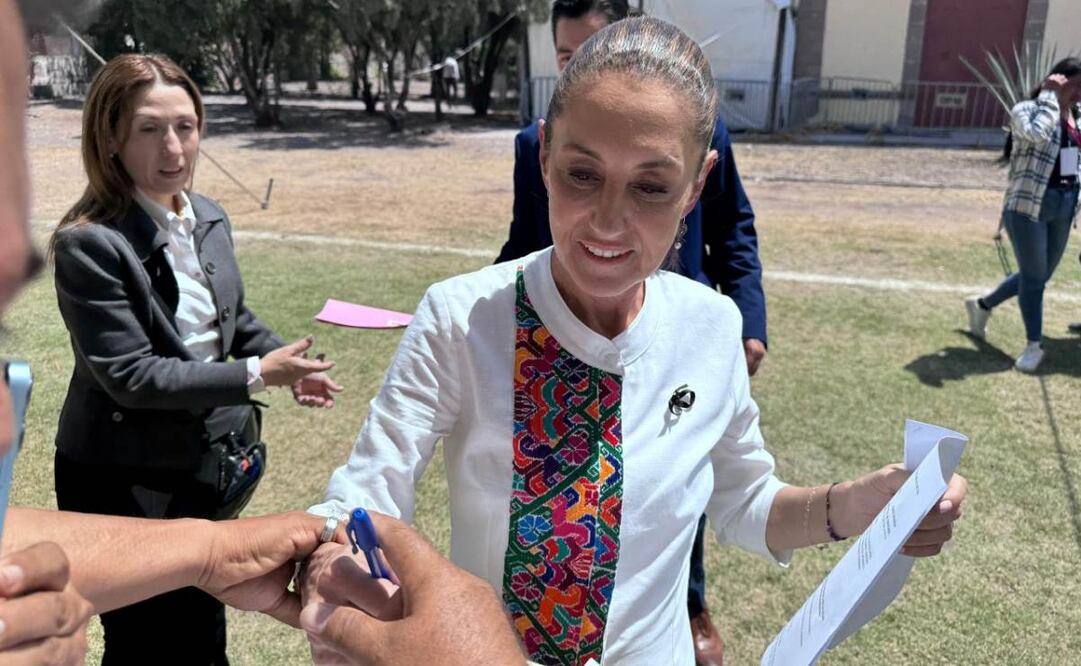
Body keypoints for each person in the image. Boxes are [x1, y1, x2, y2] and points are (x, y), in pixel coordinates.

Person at [303, 17, 967, 666]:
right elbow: (365, 493)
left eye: (650, 185)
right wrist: (339, 562)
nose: (608, 221)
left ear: (695, 186)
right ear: (543, 156)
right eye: (581, 174)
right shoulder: (461, 316)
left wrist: (853, 506)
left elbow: (744, 503)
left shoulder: (710, 326)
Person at [48, 53, 343, 664]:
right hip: (123, 479)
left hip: (199, 468)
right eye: (150, 129)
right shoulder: (89, 245)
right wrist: (261, 373)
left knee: (202, 621)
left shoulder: (207, 215)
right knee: (148, 640)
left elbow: (229, 319)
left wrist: (280, 360)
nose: (174, 147)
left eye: (186, 126)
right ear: (111, 138)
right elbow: (131, 376)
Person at [494, 2, 765, 661]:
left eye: (592, 51)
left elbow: (734, 230)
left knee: (674, 476)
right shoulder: (536, 145)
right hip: (568, 346)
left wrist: (748, 320)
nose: (579, 73)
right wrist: (482, 304)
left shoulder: (699, 131)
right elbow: (523, 244)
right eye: (564, 61)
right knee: (594, 489)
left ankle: (689, 601)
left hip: (669, 343)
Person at [966, 58, 1081, 373]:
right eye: (1075, 86)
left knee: (1038, 275)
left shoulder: (1076, 119)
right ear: (1056, 80)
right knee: (1034, 279)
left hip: (1064, 205)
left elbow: (1073, 162)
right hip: (1029, 205)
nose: (1079, 94)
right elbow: (1035, 134)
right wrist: (1048, 97)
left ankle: (982, 305)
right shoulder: (1027, 110)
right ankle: (1034, 345)